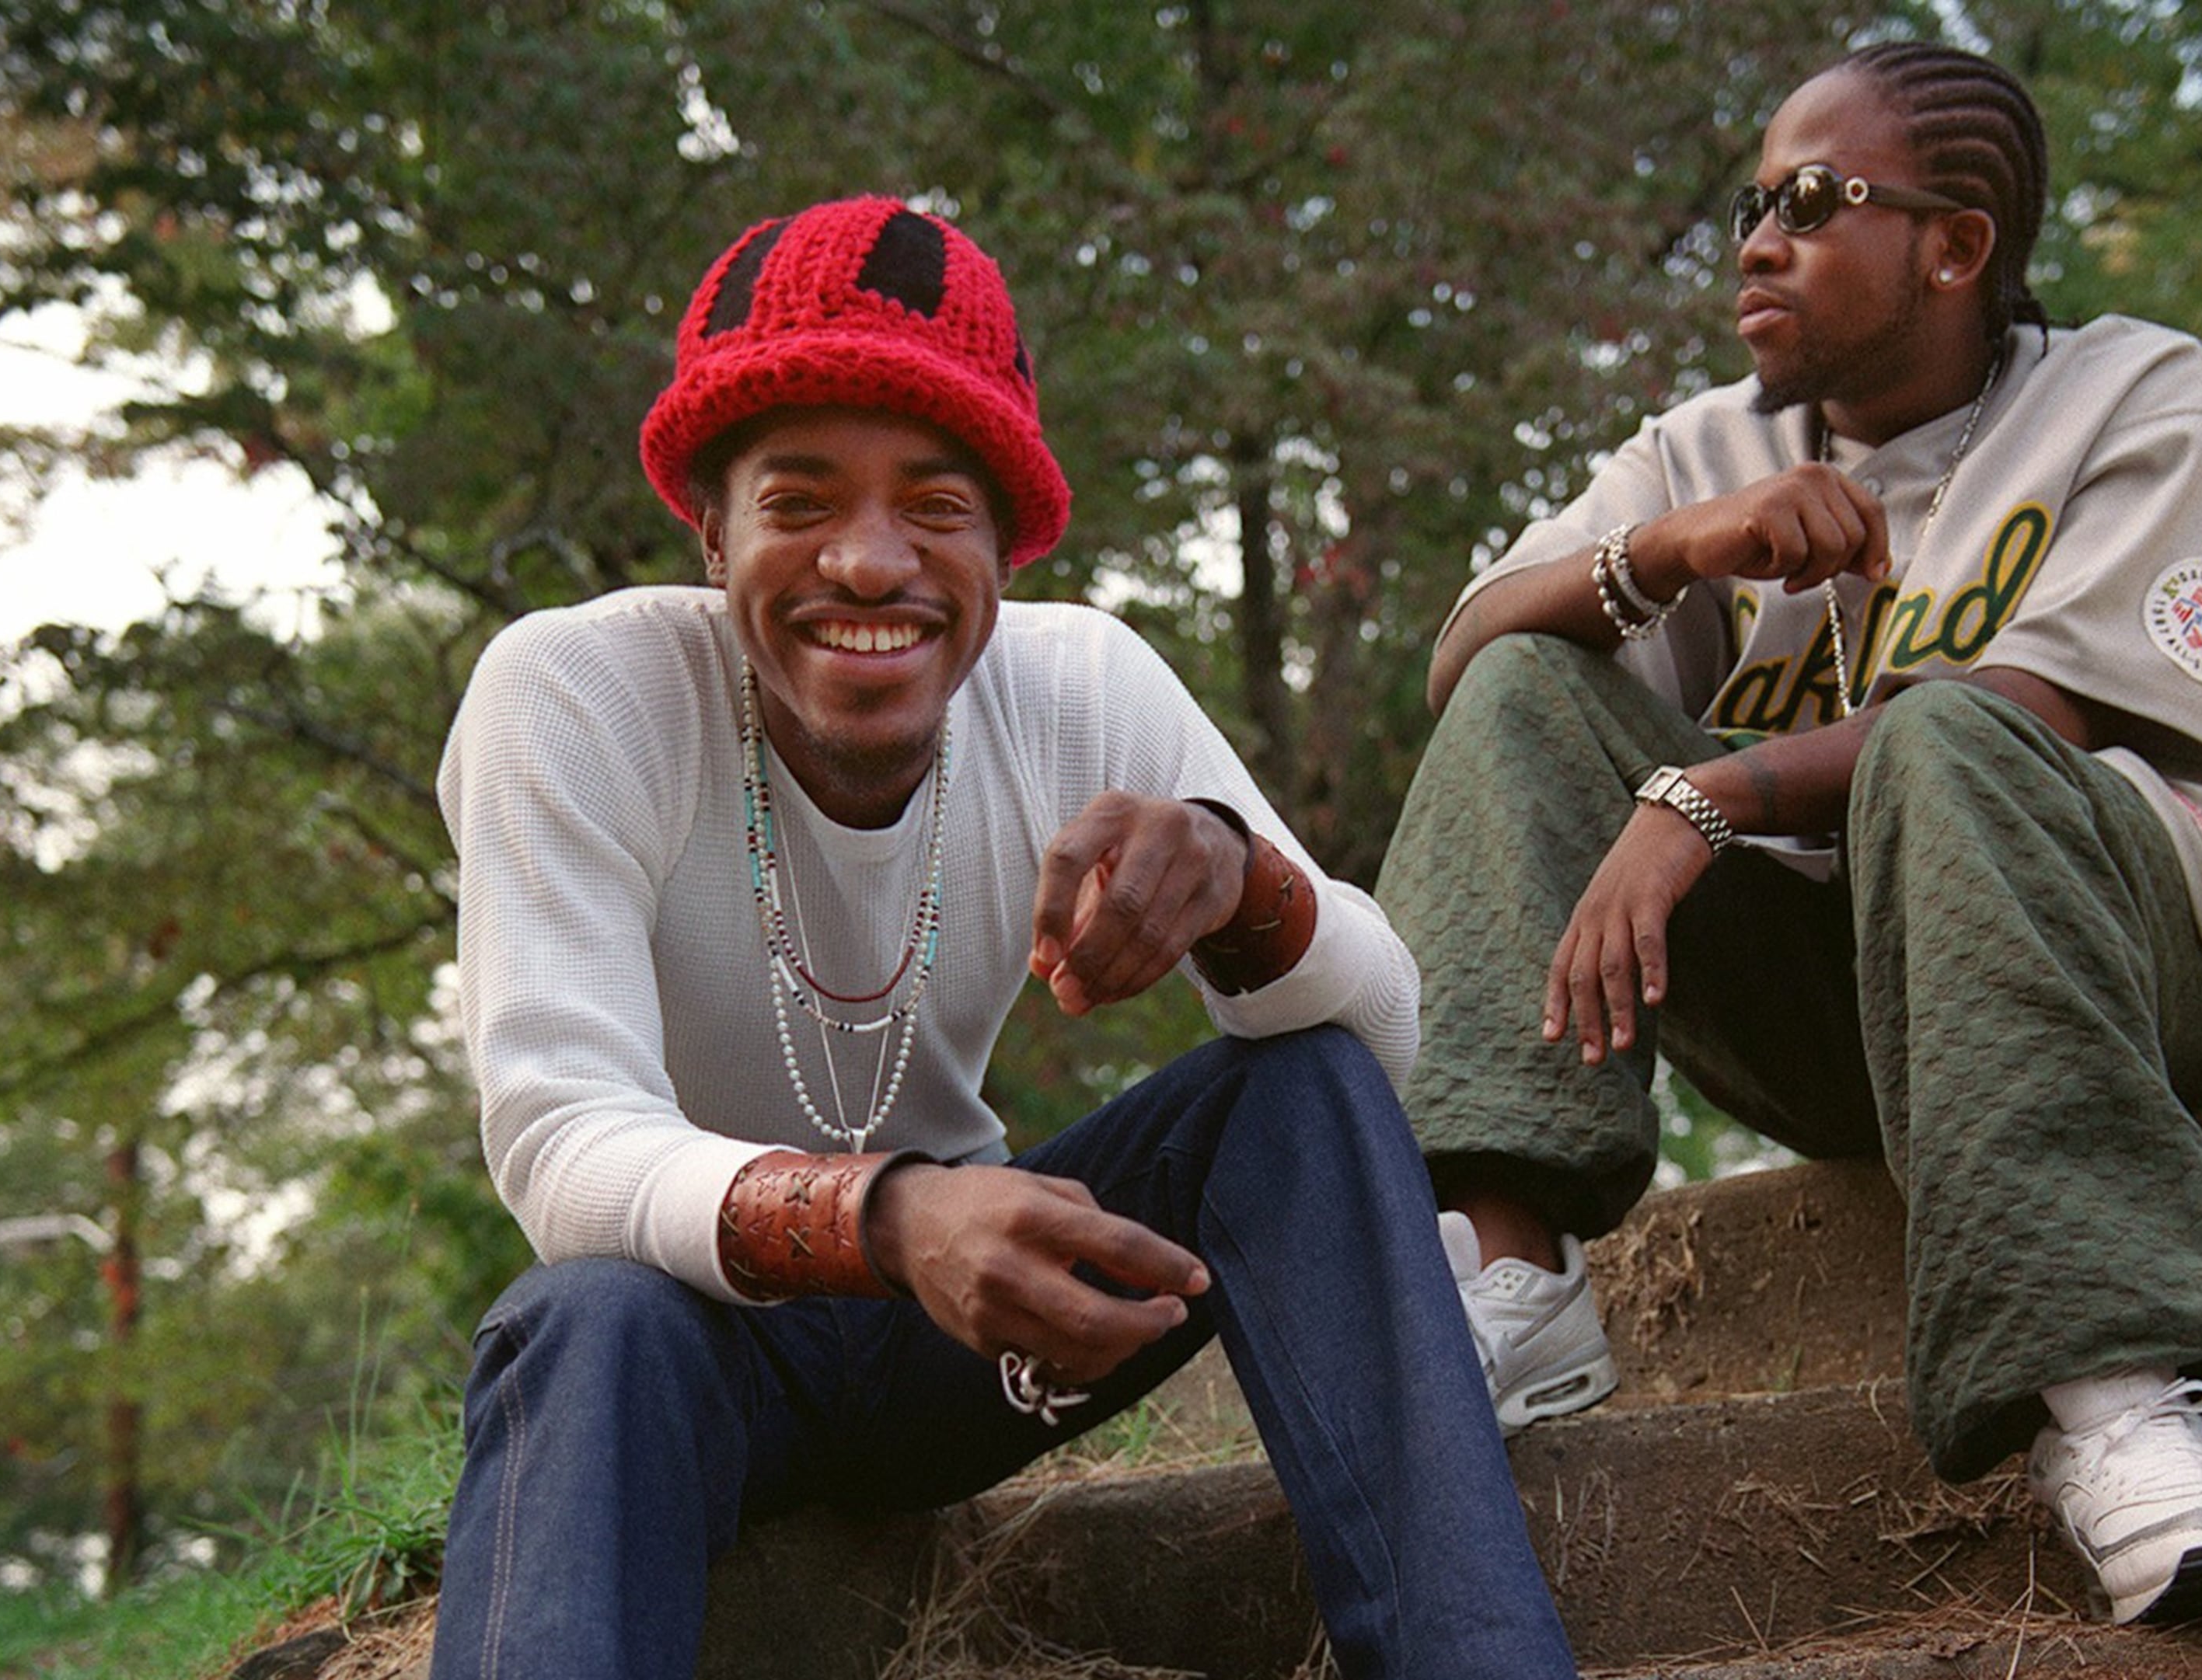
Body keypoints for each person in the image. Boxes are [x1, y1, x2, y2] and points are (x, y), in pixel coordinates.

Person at [425, 197, 1577, 1680]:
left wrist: (1238, 885)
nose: (867, 561)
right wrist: (892, 1216)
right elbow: (560, 1141)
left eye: (935, 503)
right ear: (710, 530)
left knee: (1303, 1087)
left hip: (972, 1348)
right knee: (583, 1321)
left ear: (1006, 545)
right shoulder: (575, 696)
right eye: (798, 502)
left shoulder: (1078, 683)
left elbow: (1382, 1040)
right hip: (700, 1354)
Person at [1375, 42, 2202, 1629]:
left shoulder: (2133, 391)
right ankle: (1512, 1274)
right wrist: (1672, 550)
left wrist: (1707, 794)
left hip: (2125, 954)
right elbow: (1459, 657)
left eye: (1814, 202)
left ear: (1954, 245)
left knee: (1957, 730)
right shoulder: (1711, 445)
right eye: (1754, 202)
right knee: (1524, 681)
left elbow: (2050, 711)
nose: (1756, 237)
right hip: (1850, 1015)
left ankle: (2116, 1405)